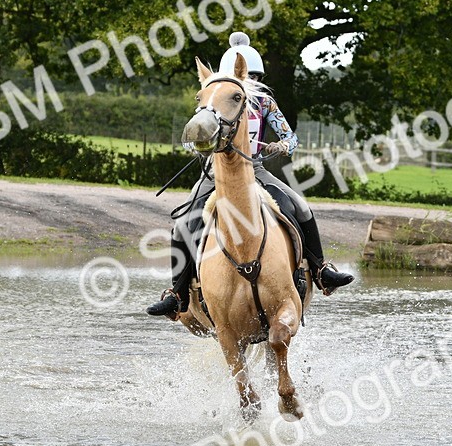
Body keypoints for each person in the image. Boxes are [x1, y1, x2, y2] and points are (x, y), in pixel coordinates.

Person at [146, 32, 354, 318]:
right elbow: (188, 137)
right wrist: (197, 146)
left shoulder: (264, 103)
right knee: (183, 222)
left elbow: (291, 138)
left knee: (301, 207)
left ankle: (320, 270)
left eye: (253, 76)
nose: (250, 82)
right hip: (215, 173)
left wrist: (281, 145)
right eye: (247, 76)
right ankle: (177, 294)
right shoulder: (212, 100)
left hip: (255, 171)